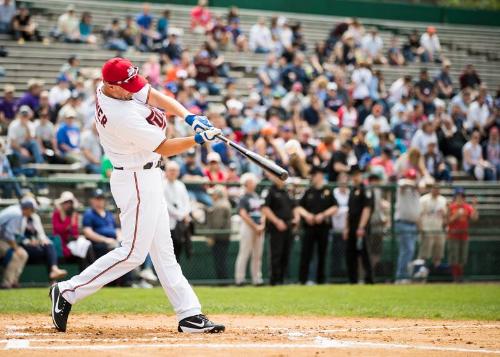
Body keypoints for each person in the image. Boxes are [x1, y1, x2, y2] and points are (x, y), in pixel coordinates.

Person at [50, 57, 224, 333]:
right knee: (133, 253)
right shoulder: (120, 116)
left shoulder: (114, 86)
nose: (134, 89)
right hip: (135, 178)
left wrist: (189, 116)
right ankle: (68, 290)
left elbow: (153, 94)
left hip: (147, 175)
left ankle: (189, 314)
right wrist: (198, 140)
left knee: (164, 251)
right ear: (110, 86)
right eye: (127, 86)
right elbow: (164, 147)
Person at [296, 167, 338, 284]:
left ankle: (321, 280)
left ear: (320, 175)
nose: (312, 177)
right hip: (309, 227)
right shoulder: (309, 191)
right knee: (306, 254)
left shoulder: (328, 191)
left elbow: (335, 207)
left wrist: (323, 215)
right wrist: (307, 215)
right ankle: (302, 280)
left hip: (323, 227)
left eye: (314, 175)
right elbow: (299, 207)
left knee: (322, 254)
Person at [262, 174, 299, 285]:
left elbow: (295, 206)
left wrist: (296, 218)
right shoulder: (270, 191)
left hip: (288, 226)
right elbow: (265, 208)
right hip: (276, 227)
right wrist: (277, 221)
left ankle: (282, 280)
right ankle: (274, 280)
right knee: (276, 254)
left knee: (286, 253)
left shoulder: (287, 191)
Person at [343, 165, 374, 284]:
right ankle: (353, 280)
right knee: (350, 254)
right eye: (353, 175)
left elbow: (367, 209)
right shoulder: (352, 190)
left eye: (356, 174)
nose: (355, 177)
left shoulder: (366, 189)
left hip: (361, 227)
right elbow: (349, 211)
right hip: (351, 226)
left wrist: (361, 227)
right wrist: (346, 228)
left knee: (365, 253)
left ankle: (369, 279)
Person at [234, 173, 265, 286]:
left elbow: (263, 212)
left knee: (257, 254)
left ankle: (257, 279)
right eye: (251, 182)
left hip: (259, 227)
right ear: (246, 184)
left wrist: (262, 225)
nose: (254, 184)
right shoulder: (243, 197)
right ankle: (240, 279)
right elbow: (243, 213)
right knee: (244, 253)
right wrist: (255, 226)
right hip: (248, 227)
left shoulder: (257, 196)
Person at [52, 191, 94, 273]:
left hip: (72, 242)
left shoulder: (74, 215)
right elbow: (58, 230)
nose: (68, 204)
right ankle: (90, 274)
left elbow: (75, 233)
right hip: (61, 244)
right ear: (62, 204)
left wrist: (71, 224)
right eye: (66, 202)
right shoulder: (56, 214)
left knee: (87, 245)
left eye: (70, 202)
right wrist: (69, 222)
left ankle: (92, 272)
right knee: (83, 248)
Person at [394, 169, 421, 284]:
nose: (412, 180)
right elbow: (401, 183)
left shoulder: (416, 191)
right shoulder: (403, 187)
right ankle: (401, 276)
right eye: (411, 177)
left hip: (413, 224)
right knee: (407, 250)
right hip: (403, 222)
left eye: (414, 178)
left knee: (409, 250)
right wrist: (413, 182)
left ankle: (403, 275)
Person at [447, 187, 478, 282]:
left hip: (464, 235)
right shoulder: (451, 207)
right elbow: (447, 221)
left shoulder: (467, 207)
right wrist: (456, 216)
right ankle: (455, 278)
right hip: (453, 235)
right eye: (458, 196)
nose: (460, 198)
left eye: (462, 196)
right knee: (454, 258)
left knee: (463, 258)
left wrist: (474, 206)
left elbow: (474, 218)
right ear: (455, 197)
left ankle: (460, 277)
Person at [163, 161, 192, 261]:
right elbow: (165, 205)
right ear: (166, 171)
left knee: (178, 252)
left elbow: (186, 201)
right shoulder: (162, 185)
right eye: (171, 170)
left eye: (175, 170)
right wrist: (180, 215)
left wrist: (185, 214)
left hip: (181, 225)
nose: (173, 173)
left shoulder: (181, 185)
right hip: (168, 224)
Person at [0, 198, 29, 289]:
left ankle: (14, 281)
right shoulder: (17, 213)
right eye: (32, 210)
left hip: (3, 239)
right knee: (15, 255)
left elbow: (14, 233)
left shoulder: (17, 210)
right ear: (27, 208)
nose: (32, 213)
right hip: (2, 239)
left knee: (24, 254)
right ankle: (6, 283)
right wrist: (15, 248)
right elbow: (8, 234)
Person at [418, 182, 447, 269]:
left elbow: (445, 216)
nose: (436, 190)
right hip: (427, 229)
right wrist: (421, 228)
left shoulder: (443, 200)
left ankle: (436, 274)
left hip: (439, 229)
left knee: (438, 254)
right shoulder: (423, 199)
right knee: (424, 254)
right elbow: (419, 215)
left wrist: (444, 215)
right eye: (434, 188)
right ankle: (422, 274)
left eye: (438, 189)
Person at [206, 185, 232, 281]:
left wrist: (211, 236)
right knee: (222, 259)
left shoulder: (219, 205)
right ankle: (223, 280)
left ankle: (222, 281)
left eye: (213, 194)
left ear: (217, 195)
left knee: (220, 260)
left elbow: (217, 224)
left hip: (219, 237)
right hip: (223, 236)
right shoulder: (223, 203)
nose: (212, 196)